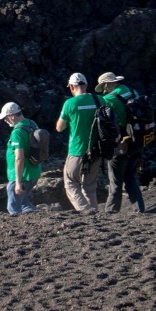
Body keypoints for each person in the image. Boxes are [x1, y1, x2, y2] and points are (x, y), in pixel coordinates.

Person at [95, 72, 146, 214]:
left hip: (121, 143)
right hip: (137, 140)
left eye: (104, 87)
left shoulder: (109, 99)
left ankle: (111, 211)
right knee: (130, 176)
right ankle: (139, 208)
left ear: (106, 84)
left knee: (115, 179)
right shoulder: (132, 91)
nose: (104, 91)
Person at [55, 72, 100, 212]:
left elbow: (59, 128)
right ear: (86, 85)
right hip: (97, 149)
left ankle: (85, 211)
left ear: (72, 87)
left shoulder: (70, 103)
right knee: (90, 186)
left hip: (77, 149)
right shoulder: (99, 100)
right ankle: (94, 212)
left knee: (70, 183)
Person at [0, 101, 41, 215]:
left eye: (5, 118)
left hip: (22, 176)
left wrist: (18, 182)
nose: (5, 121)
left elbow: (19, 158)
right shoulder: (32, 124)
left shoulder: (17, 132)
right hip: (34, 172)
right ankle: (37, 219)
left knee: (13, 208)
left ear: (12, 116)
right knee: (23, 202)